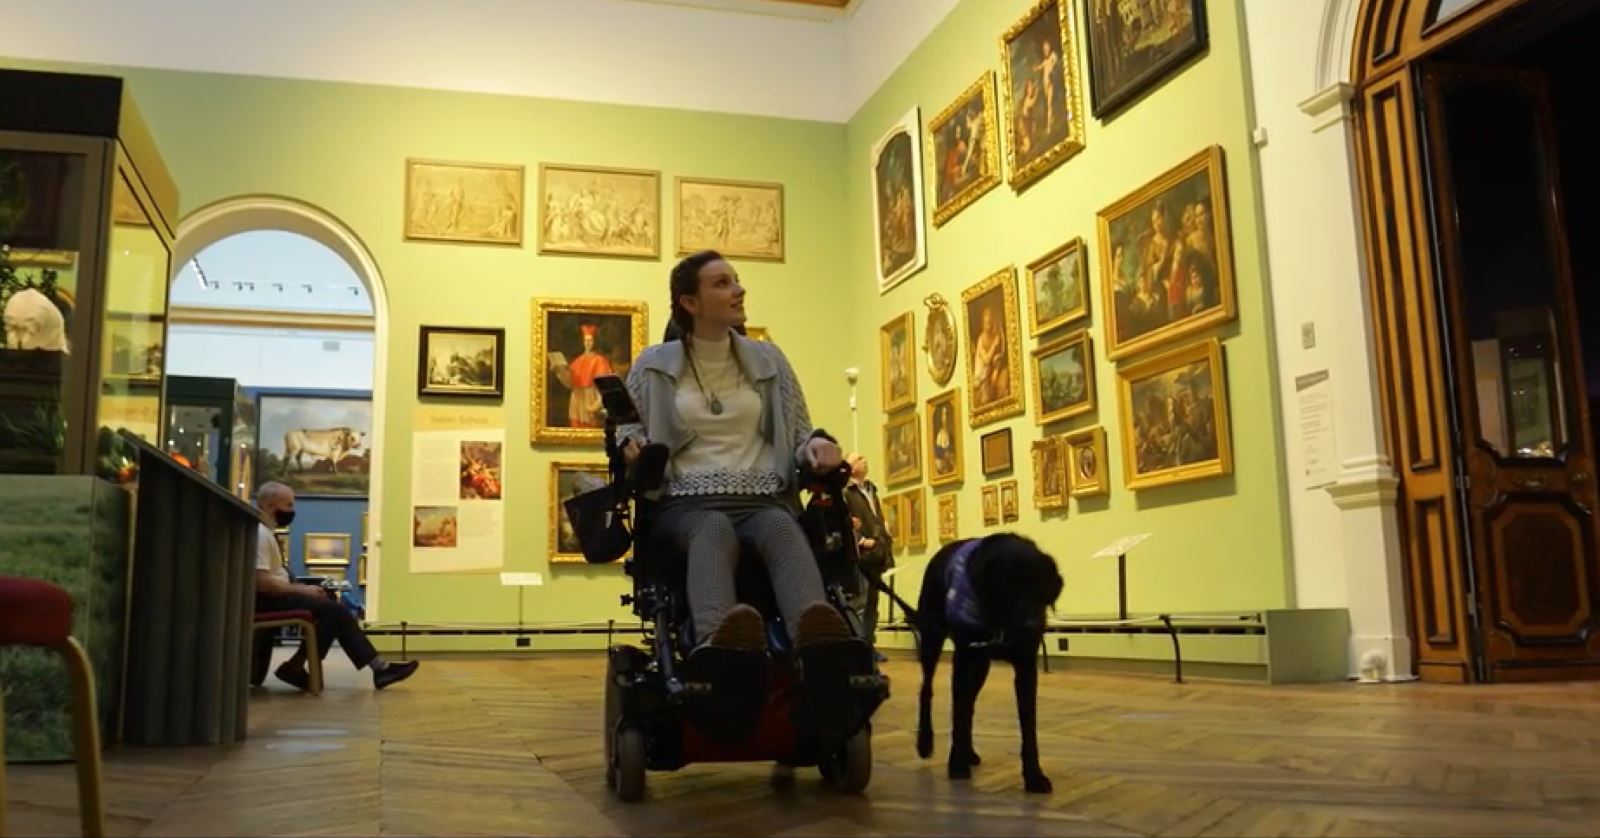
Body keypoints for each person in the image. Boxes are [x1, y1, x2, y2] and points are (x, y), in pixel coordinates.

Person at [617, 250, 854, 659]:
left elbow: (799, 432)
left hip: (763, 498)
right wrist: (632, 446)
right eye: (721, 283)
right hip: (686, 505)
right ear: (690, 303)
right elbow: (628, 428)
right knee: (712, 529)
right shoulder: (652, 365)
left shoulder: (770, 360)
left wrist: (815, 445)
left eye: (736, 280)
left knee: (782, 529)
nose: (738, 289)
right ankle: (718, 642)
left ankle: (819, 639)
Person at [254, 482, 419, 691]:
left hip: (277, 596)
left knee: (331, 605)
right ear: (269, 506)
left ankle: (297, 665)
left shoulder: (265, 531)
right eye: (288, 505)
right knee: (336, 611)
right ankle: (378, 667)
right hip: (269, 600)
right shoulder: (260, 534)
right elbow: (262, 582)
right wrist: (303, 590)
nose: (292, 511)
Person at [844, 454, 893, 662]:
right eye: (859, 458)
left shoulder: (872, 490)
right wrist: (860, 540)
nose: (864, 460)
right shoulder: (846, 493)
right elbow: (846, 520)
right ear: (849, 466)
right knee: (860, 602)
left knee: (873, 602)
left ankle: (869, 646)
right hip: (861, 555)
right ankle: (858, 648)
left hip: (878, 554)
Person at [552, 323, 614, 428]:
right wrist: (559, 370)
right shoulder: (578, 361)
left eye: (590, 341)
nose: (588, 343)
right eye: (586, 341)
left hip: (591, 398)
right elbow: (570, 383)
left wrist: (598, 403)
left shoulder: (600, 360)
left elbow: (606, 384)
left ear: (594, 342)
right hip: (577, 399)